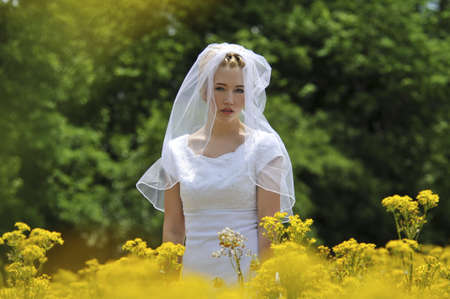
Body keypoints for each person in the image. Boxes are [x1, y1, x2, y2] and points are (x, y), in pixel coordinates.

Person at [136, 43, 295, 285]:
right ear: (203, 90)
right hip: (194, 280)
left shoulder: (264, 148)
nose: (229, 99)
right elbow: (173, 231)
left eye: (239, 90)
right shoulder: (176, 151)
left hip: (248, 279)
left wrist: (265, 286)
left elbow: (268, 229)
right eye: (220, 88)